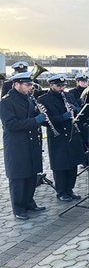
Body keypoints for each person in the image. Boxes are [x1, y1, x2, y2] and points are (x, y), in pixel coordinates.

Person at [0, 72, 46, 220]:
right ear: (16, 84)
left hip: (31, 142)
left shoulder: (29, 98)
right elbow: (11, 124)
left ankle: (29, 201)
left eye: (30, 85)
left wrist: (38, 113)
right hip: (17, 144)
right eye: (27, 85)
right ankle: (19, 208)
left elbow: (31, 115)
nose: (30, 87)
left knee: (31, 174)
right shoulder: (6, 102)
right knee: (18, 177)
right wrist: (35, 120)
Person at [38, 74, 85, 202]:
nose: (61, 88)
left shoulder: (68, 95)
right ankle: (61, 191)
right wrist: (63, 117)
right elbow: (45, 121)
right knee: (60, 165)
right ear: (51, 85)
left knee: (73, 163)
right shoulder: (43, 99)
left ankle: (70, 189)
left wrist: (75, 109)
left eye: (63, 85)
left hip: (71, 133)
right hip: (57, 136)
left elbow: (77, 108)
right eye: (58, 86)